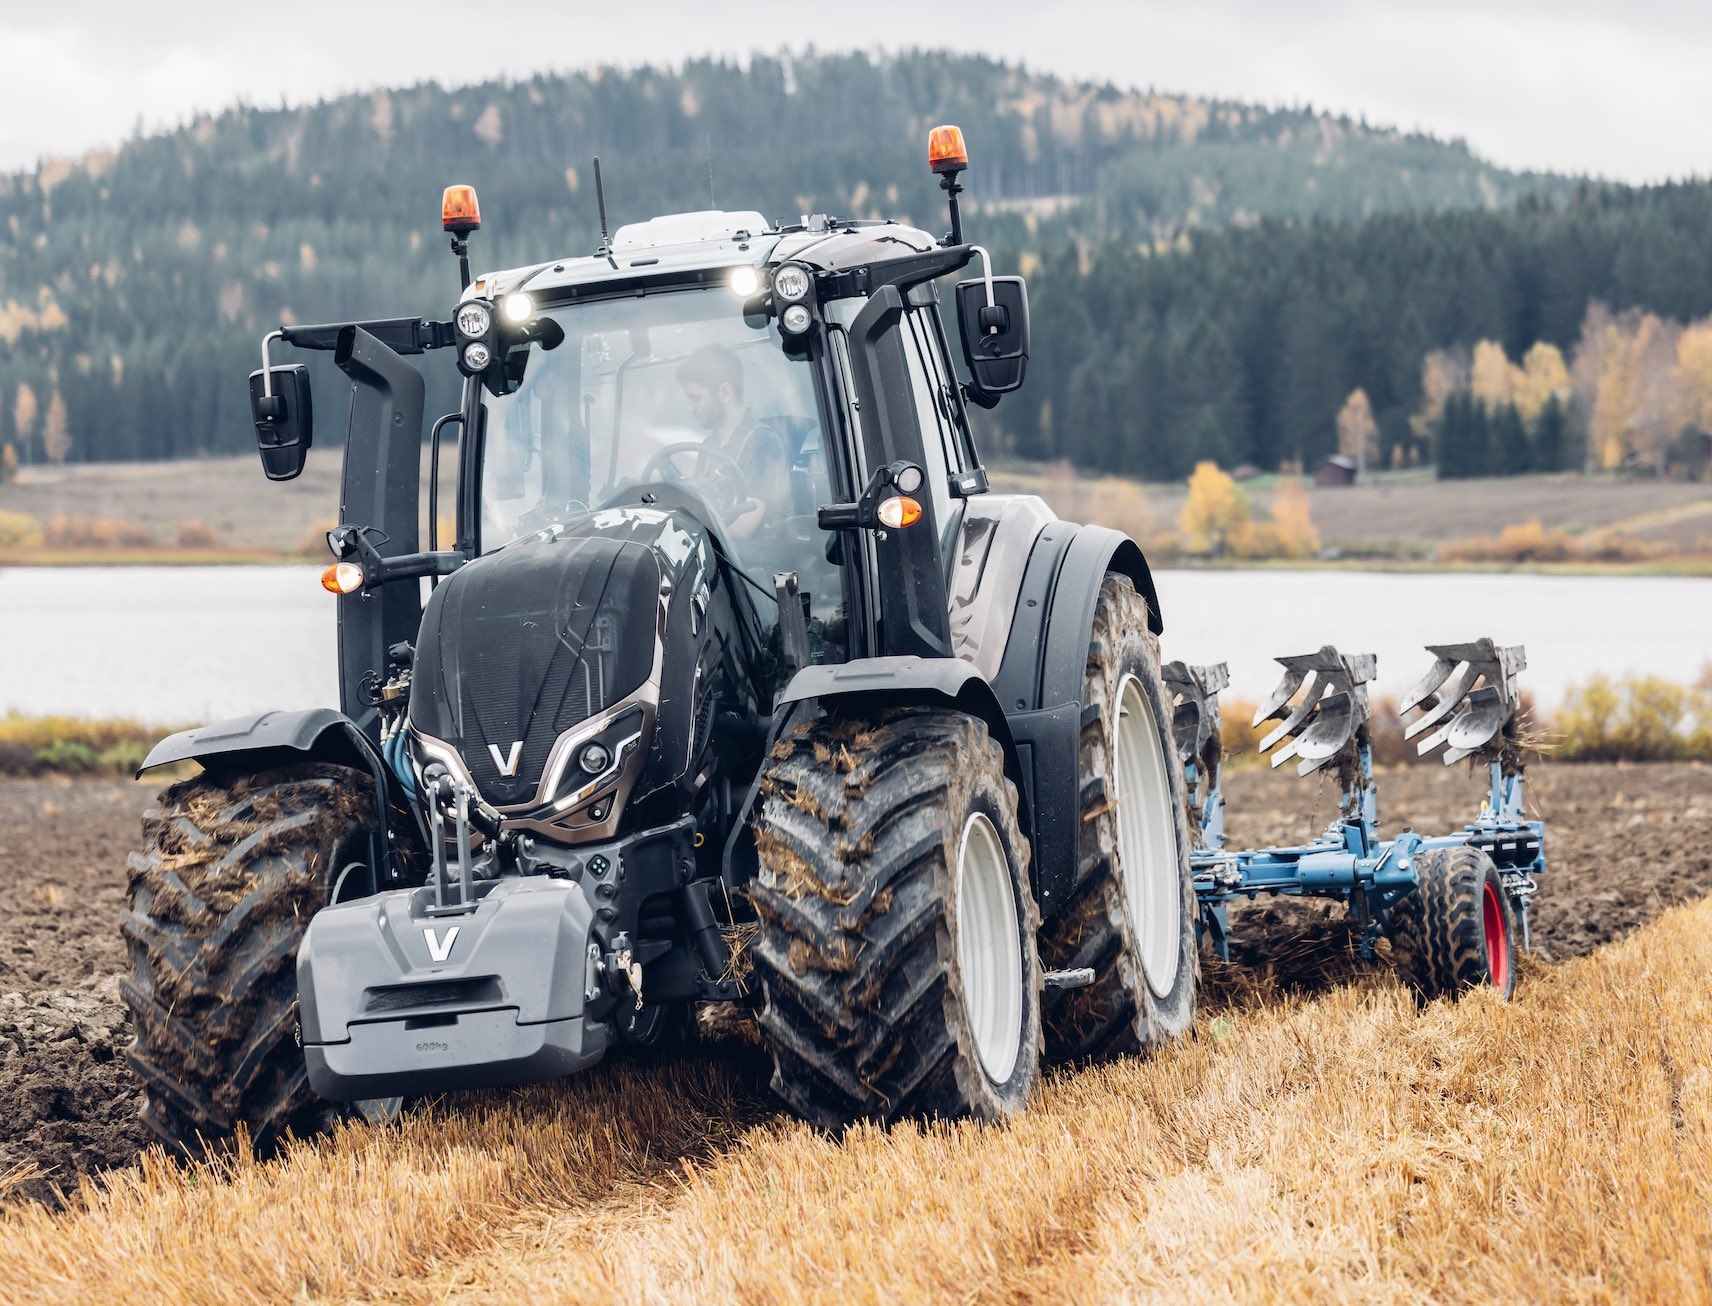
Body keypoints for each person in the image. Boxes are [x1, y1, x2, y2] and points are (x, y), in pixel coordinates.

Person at [673, 344, 790, 539]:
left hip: (758, 564)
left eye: (696, 398)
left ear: (725, 393)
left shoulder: (763, 443)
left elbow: (743, 529)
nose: (689, 408)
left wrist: (682, 524)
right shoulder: (708, 446)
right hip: (719, 558)